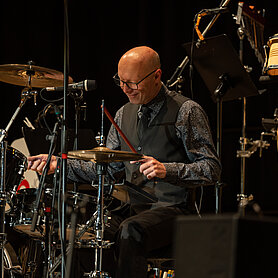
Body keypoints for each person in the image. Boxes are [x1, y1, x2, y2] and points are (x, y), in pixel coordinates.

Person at [28, 46, 221, 277]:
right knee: (86, 235)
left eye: (132, 83)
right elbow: (108, 168)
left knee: (131, 230)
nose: (125, 89)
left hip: (174, 210)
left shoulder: (186, 110)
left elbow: (211, 169)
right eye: (120, 81)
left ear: (157, 76)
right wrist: (58, 165)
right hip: (132, 208)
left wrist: (166, 170)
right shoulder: (122, 114)